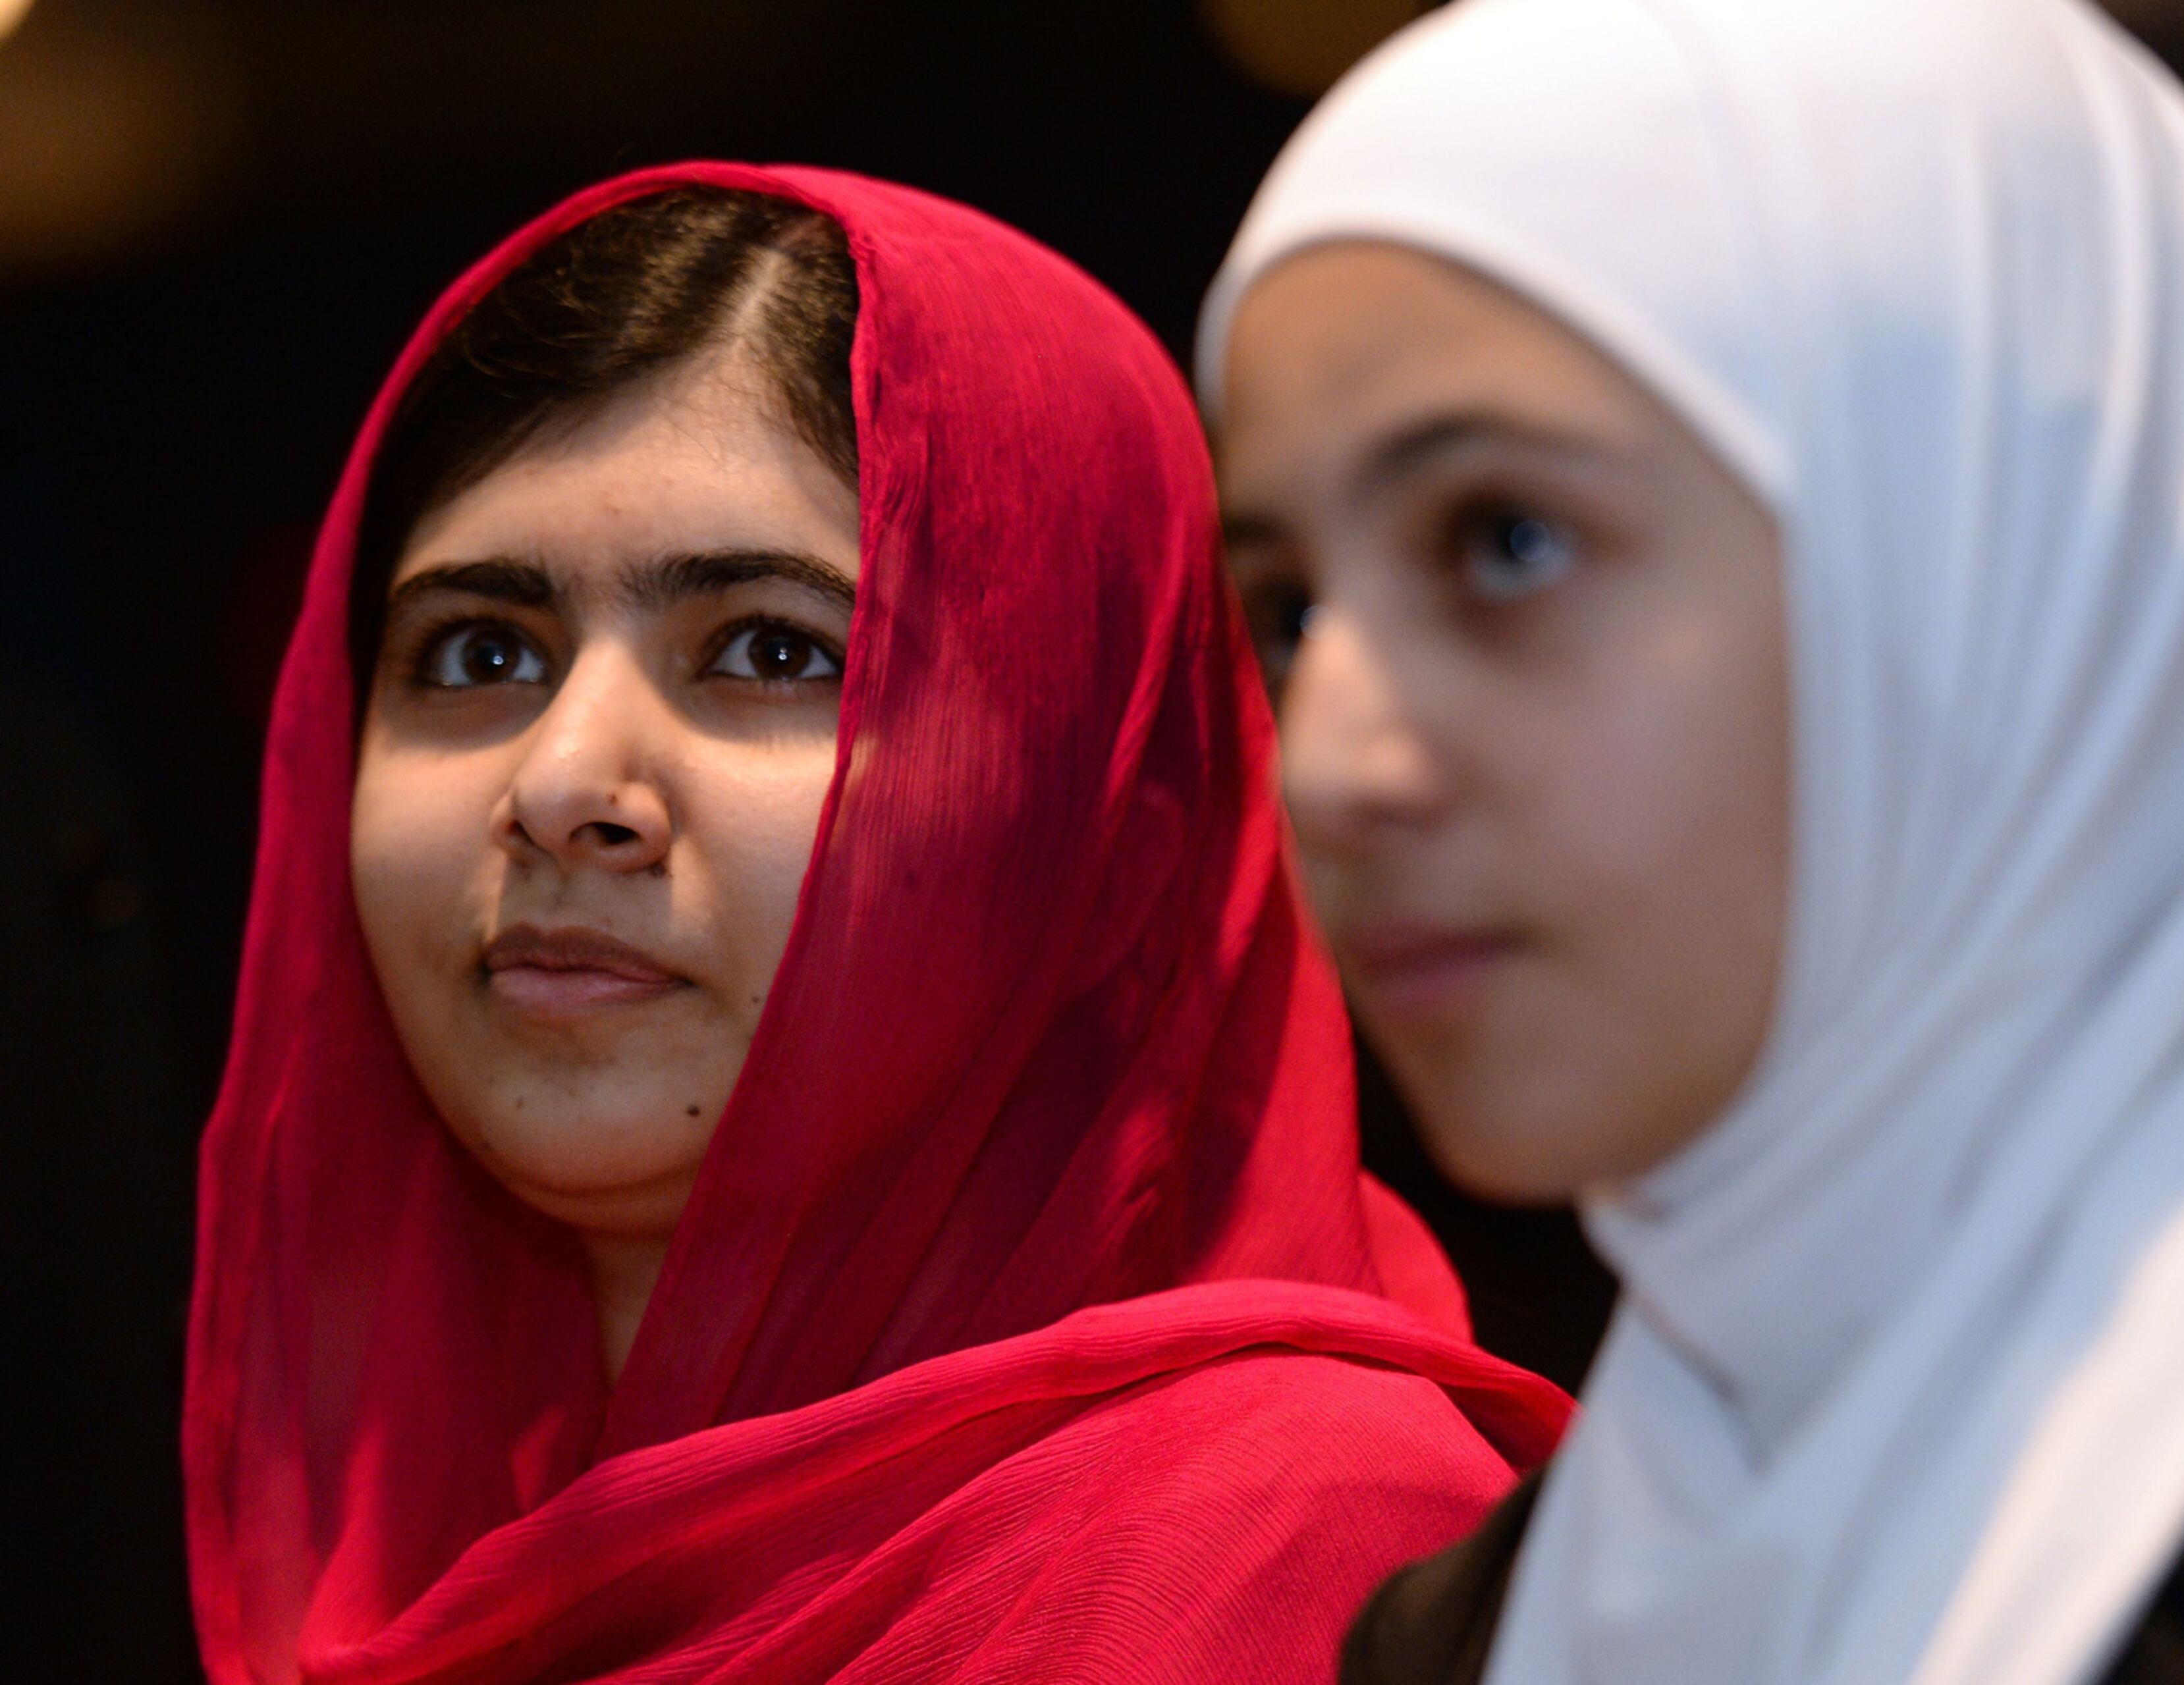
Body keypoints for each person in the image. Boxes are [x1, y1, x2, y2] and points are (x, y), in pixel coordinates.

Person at [1199, 1, 2184, 1680]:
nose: (1328, 763)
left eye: (1506, 539)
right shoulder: (1475, 1622)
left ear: (2002, 559)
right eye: (1289, 607)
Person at [184, 162, 1568, 1685]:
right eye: (478, 653)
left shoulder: (1266, 1547)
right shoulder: (413, 1538)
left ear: (1104, 852)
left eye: (771, 648)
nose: (565, 781)